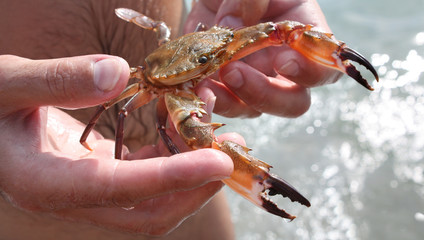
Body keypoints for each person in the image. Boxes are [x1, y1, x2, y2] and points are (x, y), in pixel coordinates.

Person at [0, 0, 341, 239]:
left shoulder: (221, 42)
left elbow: (282, 30)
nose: (211, 65)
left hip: (196, 216)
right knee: (189, 136)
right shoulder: (146, 93)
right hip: (36, 223)